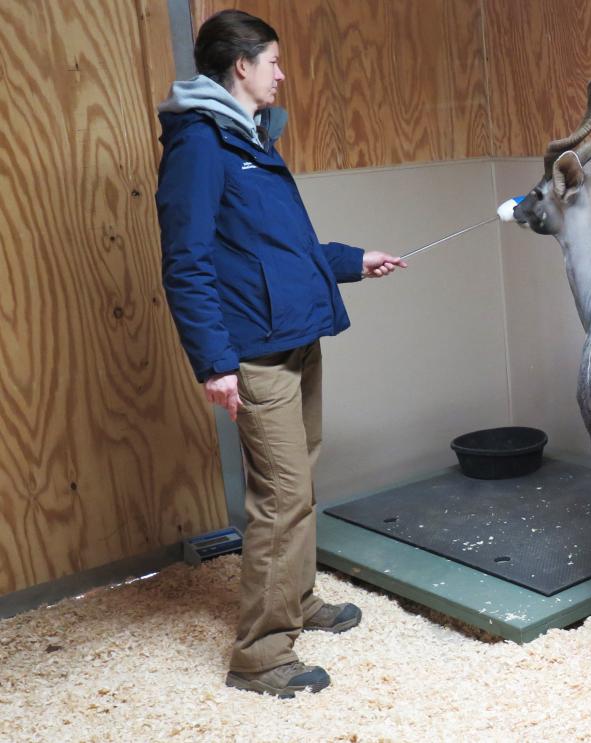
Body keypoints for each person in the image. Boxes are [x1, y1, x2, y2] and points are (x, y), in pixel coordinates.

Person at [155, 9, 406, 698]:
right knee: (281, 496)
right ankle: (261, 655)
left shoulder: (250, 138)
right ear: (242, 66)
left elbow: (279, 251)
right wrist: (214, 362)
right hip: (253, 352)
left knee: (299, 485)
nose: (281, 74)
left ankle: (294, 602)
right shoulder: (203, 145)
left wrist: (354, 260)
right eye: (274, 61)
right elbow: (187, 260)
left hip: (292, 335)